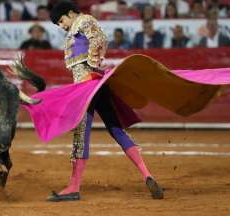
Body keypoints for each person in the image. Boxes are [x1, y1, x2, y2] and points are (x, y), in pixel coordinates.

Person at [46, 0, 164, 202]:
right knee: (116, 128)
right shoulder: (75, 29)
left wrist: (91, 70)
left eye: (61, 20)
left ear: (71, 13)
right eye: (57, 24)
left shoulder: (84, 20)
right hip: (93, 86)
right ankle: (147, 174)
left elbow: (99, 40)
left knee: (81, 133)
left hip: (87, 87)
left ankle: (74, 186)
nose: (61, 25)